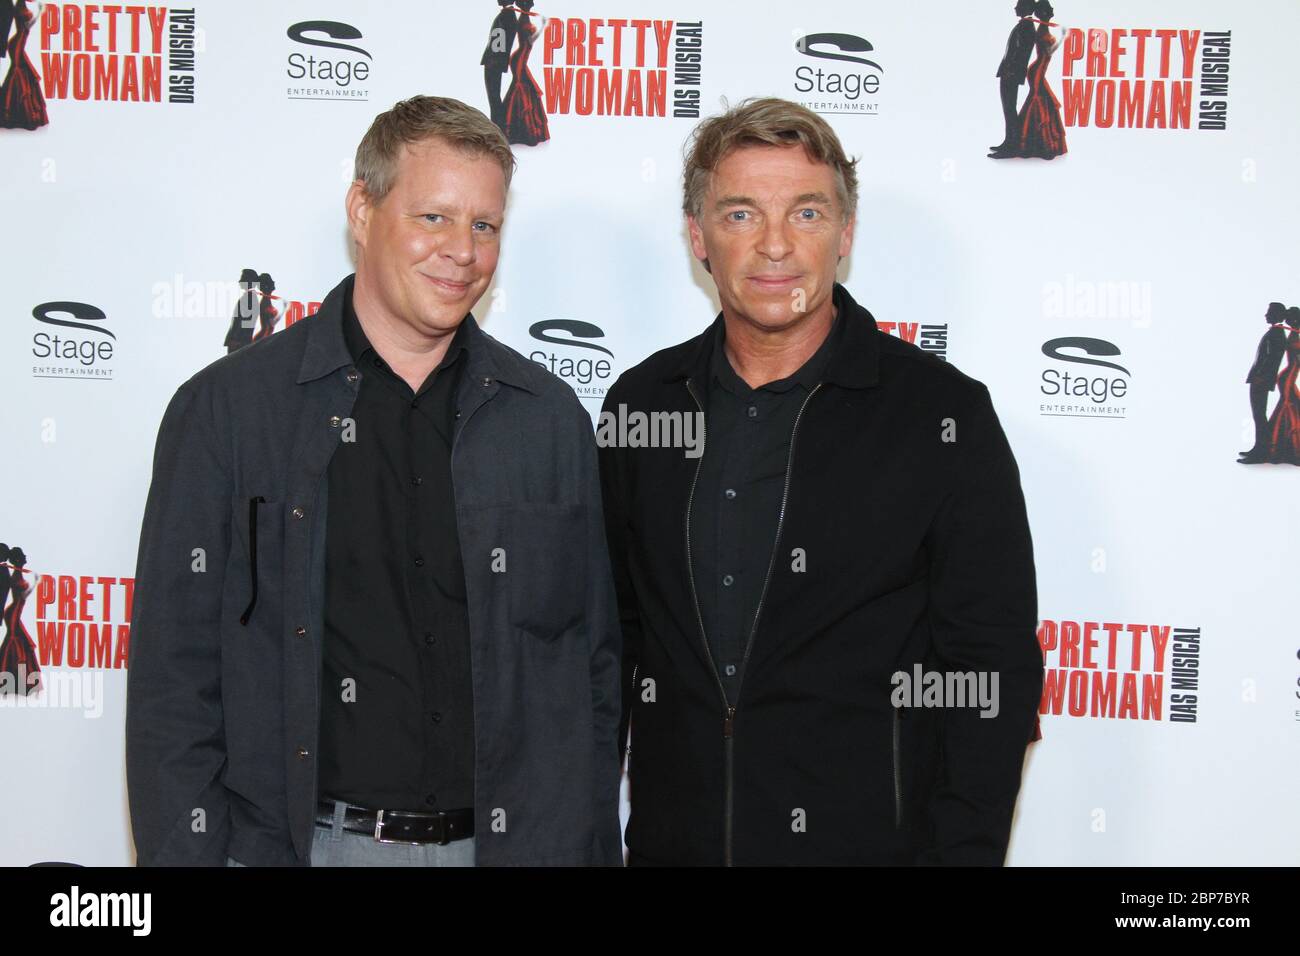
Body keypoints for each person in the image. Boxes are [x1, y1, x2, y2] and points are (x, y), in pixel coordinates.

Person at [126, 95, 622, 867]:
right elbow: (173, 684)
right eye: (434, 218)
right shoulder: (228, 412)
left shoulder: (547, 420)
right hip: (307, 848)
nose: (462, 251)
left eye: (484, 225)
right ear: (363, 208)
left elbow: (589, 671)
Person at [600, 97, 1043, 865]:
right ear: (699, 237)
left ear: (845, 234)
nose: (775, 245)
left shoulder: (940, 416)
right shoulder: (642, 407)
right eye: (741, 215)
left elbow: (989, 671)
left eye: (806, 213)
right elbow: (612, 645)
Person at [1011, 0, 1066, 160]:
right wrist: (1062, 38)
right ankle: (1034, 144)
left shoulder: (1043, 27)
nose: (1052, 9)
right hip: (1037, 72)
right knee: (1036, 99)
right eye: (1049, 8)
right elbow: (1048, 51)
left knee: (1041, 99)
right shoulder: (1041, 29)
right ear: (1044, 12)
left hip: (1039, 70)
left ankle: (1034, 142)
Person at [1239, 302, 1289, 464]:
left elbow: (1272, 360)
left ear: (1276, 315)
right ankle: (1258, 448)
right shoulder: (1276, 332)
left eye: (1268, 312)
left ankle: (1261, 452)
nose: (1265, 315)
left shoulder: (1277, 334)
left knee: (1259, 416)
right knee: (1258, 416)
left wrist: (1261, 376)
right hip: (1260, 379)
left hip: (1261, 380)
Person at [989, 0, 1037, 158]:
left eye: (1018, 5)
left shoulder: (1026, 26)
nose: (1015, 8)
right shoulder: (1025, 25)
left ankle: (1011, 146)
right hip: (1010, 73)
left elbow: (1022, 53)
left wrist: (1011, 72)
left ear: (1025, 8)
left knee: (1009, 110)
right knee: (1008, 110)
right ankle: (1008, 142)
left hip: (1011, 74)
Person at [500, 0, 549, 146]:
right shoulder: (523, 18)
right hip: (520, 58)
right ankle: (520, 131)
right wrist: (542, 28)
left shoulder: (524, 17)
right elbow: (529, 40)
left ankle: (515, 128)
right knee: (521, 86)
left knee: (521, 85)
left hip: (520, 58)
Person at [0, 0, 48, 130]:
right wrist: (40, 13)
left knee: (19, 70)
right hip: (17, 44)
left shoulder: (19, 6)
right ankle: (12, 112)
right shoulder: (17, 7)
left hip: (18, 43)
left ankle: (11, 110)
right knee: (17, 70)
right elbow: (27, 25)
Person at [1262, 307, 1300, 465]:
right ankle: (1288, 449)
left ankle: (1284, 448)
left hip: (1289, 376)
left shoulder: (1294, 333)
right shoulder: (1293, 333)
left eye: (1290, 317)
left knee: (1288, 406)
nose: (1287, 320)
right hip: (1287, 377)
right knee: (1288, 407)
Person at [481, 0, 518, 130]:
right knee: (494, 97)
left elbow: (501, 43)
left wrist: (494, 60)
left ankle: (497, 128)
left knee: (494, 98)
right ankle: (497, 127)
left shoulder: (507, 15)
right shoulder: (508, 15)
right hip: (494, 61)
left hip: (494, 62)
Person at [222, 268, 260, 354]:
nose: (240, 281)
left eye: (243, 278)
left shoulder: (249, 299)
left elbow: (246, 323)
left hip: (238, 343)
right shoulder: (249, 298)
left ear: (249, 281)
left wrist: (237, 341)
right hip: (238, 342)